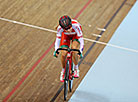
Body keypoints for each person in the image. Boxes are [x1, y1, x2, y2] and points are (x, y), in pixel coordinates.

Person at [53, 15, 84, 82]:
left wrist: (80, 51)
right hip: (65, 36)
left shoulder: (76, 26)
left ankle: (76, 68)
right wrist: (56, 50)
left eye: (69, 27)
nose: (68, 30)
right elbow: (57, 40)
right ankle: (63, 70)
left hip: (75, 35)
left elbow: (81, 40)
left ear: (71, 24)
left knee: (74, 49)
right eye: (65, 29)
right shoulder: (59, 28)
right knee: (63, 54)